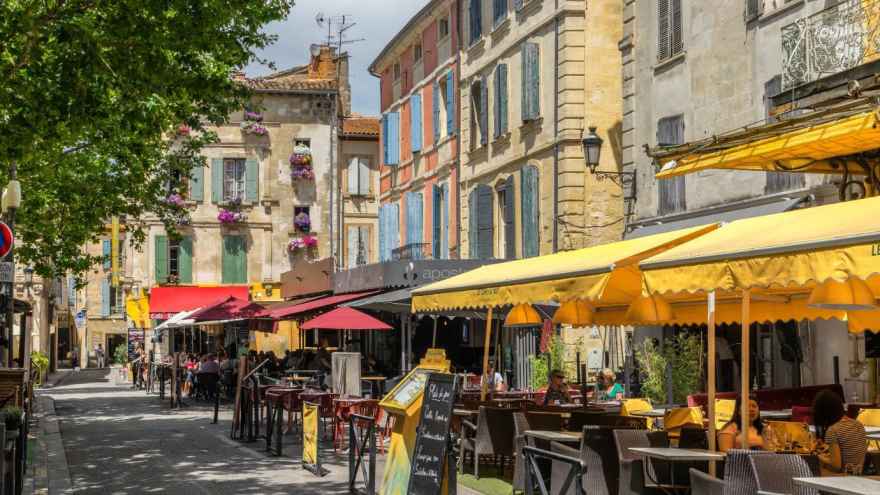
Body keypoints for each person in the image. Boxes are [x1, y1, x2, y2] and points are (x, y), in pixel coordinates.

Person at [813, 389, 866, 475]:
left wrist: (816, 457)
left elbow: (836, 466)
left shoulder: (833, 430)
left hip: (842, 477)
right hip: (857, 474)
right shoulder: (858, 424)